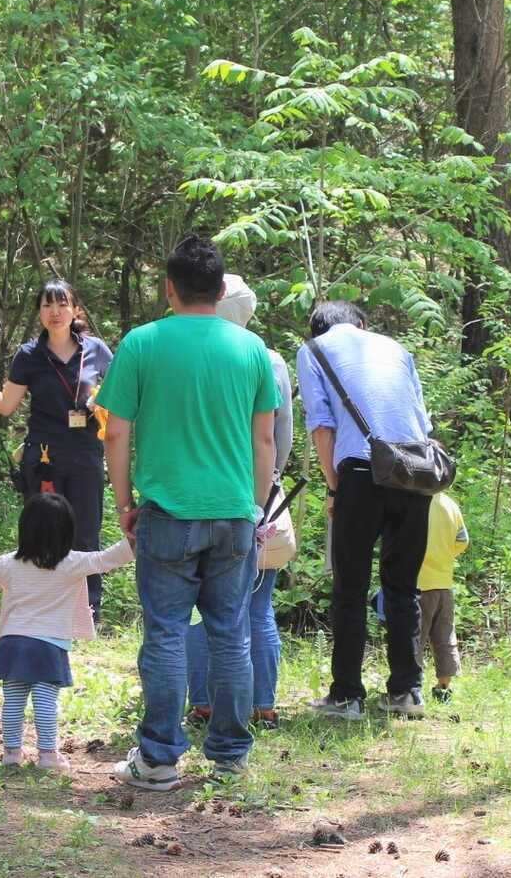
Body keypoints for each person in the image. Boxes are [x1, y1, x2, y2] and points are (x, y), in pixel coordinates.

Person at [98, 234, 280, 790]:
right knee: (231, 634)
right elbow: (266, 440)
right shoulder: (251, 350)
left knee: (167, 633)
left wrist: (124, 503)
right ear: (222, 290)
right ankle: (230, 756)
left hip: (166, 512)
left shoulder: (141, 343)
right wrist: (253, 506)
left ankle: (158, 759)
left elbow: (118, 434)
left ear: (169, 288)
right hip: (233, 515)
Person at [0, 280, 113, 624]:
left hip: (86, 456)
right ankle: (38, 605)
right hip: (44, 457)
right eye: (47, 305)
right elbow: (6, 405)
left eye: (62, 304)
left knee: (86, 534)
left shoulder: (98, 351)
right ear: (39, 312)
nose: (55, 312)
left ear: (76, 309)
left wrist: (102, 402)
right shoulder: (29, 355)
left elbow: (120, 397)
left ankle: (88, 610)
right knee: (42, 531)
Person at [296, 300, 435, 719]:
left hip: (360, 468)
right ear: (362, 322)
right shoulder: (396, 348)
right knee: (403, 585)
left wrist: (334, 488)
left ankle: (346, 696)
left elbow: (322, 425)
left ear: (318, 328)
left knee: (350, 588)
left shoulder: (314, 350)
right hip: (415, 470)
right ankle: (406, 692)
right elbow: (423, 422)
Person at [0, 493, 134, 772]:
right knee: (45, 702)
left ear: (25, 528)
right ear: (67, 531)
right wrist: (135, 538)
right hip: (49, 646)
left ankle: (11, 753)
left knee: (13, 700)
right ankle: (48, 755)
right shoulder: (72, 563)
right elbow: (107, 559)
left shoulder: (9, 562)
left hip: (12, 643)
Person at [185, 275, 293, 729]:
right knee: (257, 605)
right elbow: (279, 436)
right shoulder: (270, 360)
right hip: (257, 496)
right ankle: (261, 703)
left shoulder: (191, 353)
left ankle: (206, 701)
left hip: (197, 495)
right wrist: (266, 486)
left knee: (199, 606)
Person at [417, 491, 468, 702]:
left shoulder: (415, 502)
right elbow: (463, 540)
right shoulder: (450, 504)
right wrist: (446, 555)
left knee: (414, 639)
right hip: (444, 583)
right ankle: (444, 686)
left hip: (418, 582)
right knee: (445, 637)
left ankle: (412, 688)